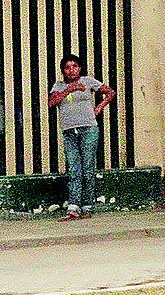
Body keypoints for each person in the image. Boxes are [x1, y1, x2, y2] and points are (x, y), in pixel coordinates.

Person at [47, 53, 116, 221]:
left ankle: (87, 205)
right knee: (74, 168)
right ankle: (73, 207)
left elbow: (110, 93)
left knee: (88, 167)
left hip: (88, 129)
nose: (71, 71)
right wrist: (68, 89)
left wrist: (99, 107)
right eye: (67, 68)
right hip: (70, 131)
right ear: (63, 70)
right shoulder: (58, 86)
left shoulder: (87, 81)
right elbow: (51, 102)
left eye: (75, 67)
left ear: (80, 68)